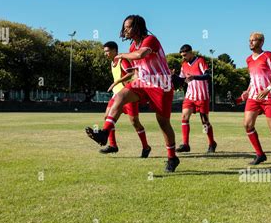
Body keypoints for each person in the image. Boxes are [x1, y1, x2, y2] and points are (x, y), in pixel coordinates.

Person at [86, 15, 180, 172]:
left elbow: (141, 55)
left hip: (160, 84)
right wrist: (128, 84)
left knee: (163, 123)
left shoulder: (150, 39)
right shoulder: (131, 48)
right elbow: (137, 70)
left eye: (128, 27)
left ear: (138, 27)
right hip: (142, 82)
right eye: (124, 27)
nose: (125, 30)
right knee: (120, 96)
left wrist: (121, 55)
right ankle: (104, 133)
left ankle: (172, 157)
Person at [241, 32, 271, 165]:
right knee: (247, 125)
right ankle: (260, 154)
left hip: (270, 96)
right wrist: (247, 91)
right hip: (254, 97)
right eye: (249, 40)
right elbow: (253, 79)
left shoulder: (268, 55)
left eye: (254, 40)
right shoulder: (249, 60)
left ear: (262, 42)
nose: (250, 42)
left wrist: (267, 89)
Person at [99, 41, 151, 157]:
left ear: (114, 51)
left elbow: (131, 73)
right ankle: (113, 145)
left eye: (107, 51)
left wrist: (117, 82)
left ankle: (146, 147)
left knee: (135, 122)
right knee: (107, 117)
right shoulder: (112, 63)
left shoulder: (122, 60)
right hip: (116, 95)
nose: (105, 54)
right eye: (105, 52)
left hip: (127, 96)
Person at [172, 44, 217, 153]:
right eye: (182, 55)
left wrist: (194, 77)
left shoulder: (200, 61)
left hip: (202, 96)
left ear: (191, 52)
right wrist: (173, 76)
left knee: (205, 122)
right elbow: (182, 80)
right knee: (184, 117)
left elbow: (207, 76)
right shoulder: (184, 65)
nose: (183, 57)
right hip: (190, 96)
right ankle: (186, 144)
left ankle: (212, 143)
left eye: (185, 55)